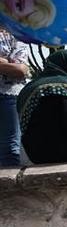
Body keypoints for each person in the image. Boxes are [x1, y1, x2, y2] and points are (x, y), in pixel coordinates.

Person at [0, 26, 28, 167]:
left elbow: (21, 70)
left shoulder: (15, 36)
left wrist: (12, 67)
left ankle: (8, 188)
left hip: (9, 96)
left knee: (9, 147)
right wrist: (5, 62)